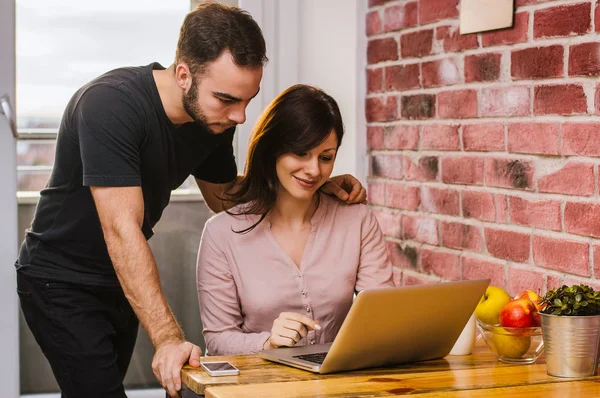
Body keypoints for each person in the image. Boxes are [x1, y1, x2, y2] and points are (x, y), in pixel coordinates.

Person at [14, 3, 366, 398]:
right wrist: (167, 338)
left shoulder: (212, 122)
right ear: (184, 74)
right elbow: (121, 229)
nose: (240, 116)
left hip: (119, 278)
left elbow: (225, 198)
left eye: (247, 101)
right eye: (227, 100)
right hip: (60, 278)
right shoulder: (110, 105)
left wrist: (313, 183)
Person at [196, 84, 394, 356]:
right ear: (272, 148)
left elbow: (383, 314)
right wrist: (267, 343)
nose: (314, 170)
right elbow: (218, 340)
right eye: (301, 153)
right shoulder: (222, 233)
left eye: (326, 157)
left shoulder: (358, 221)